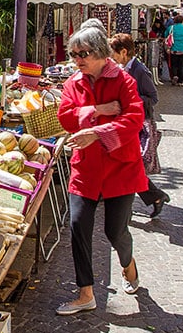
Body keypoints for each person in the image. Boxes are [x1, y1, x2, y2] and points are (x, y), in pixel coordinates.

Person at [55, 26, 147, 315]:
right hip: (86, 167)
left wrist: (97, 133)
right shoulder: (73, 83)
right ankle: (85, 293)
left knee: (115, 231)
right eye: (74, 54)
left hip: (121, 167)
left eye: (83, 54)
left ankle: (128, 264)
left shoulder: (124, 80)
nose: (77, 60)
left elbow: (134, 118)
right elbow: (65, 117)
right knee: (78, 225)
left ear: (100, 53)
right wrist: (98, 110)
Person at [109, 33, 171, 217]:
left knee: (127, 166)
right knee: (125, 166)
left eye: (114, 52)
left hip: (138, 125)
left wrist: (129, 100)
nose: (111, 56)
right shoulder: (123, 68)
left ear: (124, 52)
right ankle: (153, 197)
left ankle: (130, 207)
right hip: (126, 122)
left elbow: (153, 98)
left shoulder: (140, 70)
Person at [164, 15, 183, 85]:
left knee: (174, 65)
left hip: (174, 49)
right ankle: (180, 81)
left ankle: (174, 75)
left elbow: (165, 35)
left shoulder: (171, 27)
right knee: (181, 65)